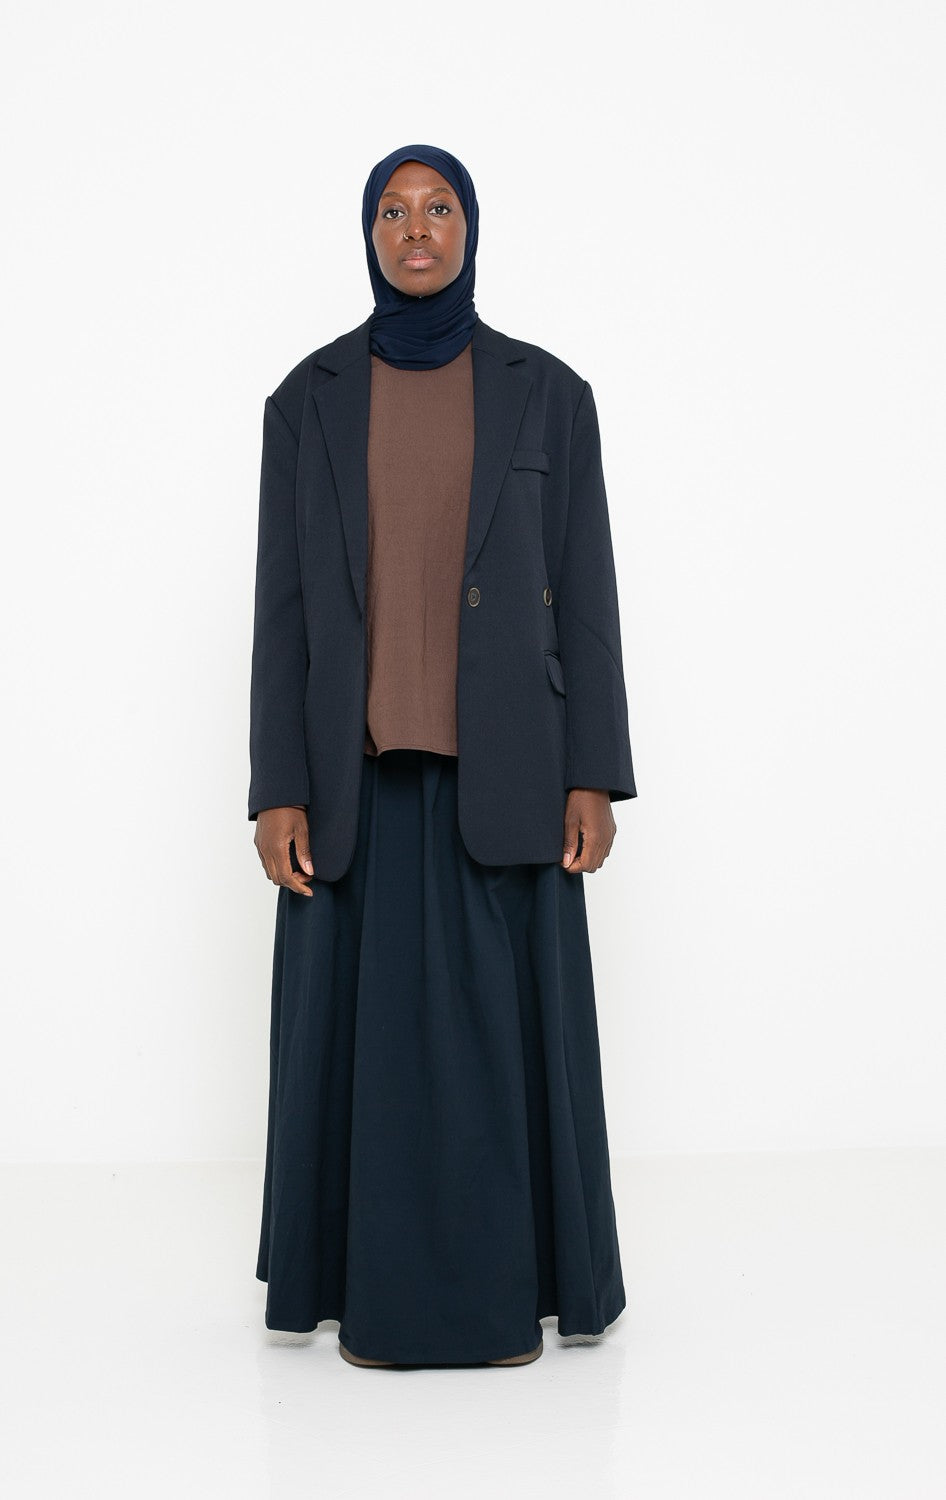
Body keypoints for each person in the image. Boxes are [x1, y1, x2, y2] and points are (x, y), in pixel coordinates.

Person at [249, 144, 638, 1370]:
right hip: (353, 779)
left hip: (509, 773)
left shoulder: (548, 395)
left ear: (469, 229)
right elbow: (282, 612)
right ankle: (358, 1296)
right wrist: (276, 787)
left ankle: (520, 1294)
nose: (414, 229)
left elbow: (584, 589)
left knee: (505, 1057)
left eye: (437, 209)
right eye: (391, 211)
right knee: (357, 1063)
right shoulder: (305, 400)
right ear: (368, 236)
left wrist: (592, 770)